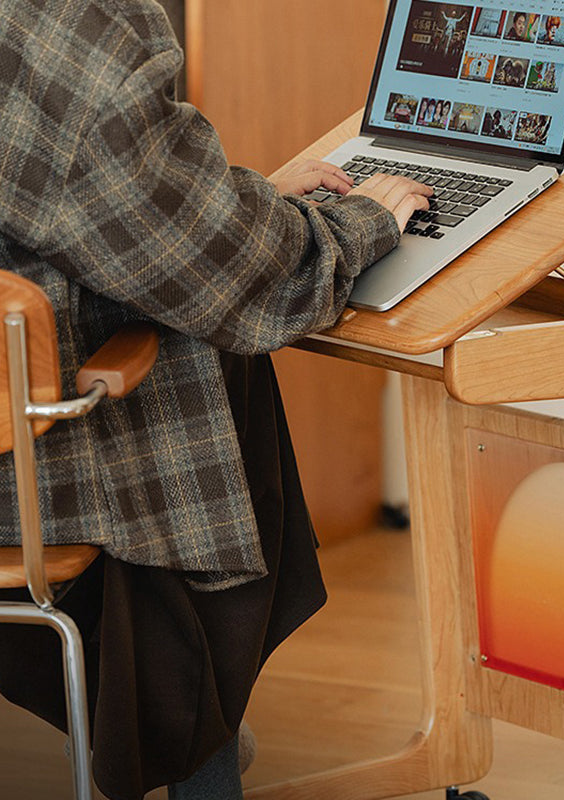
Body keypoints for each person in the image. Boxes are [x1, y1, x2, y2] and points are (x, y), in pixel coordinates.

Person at [0, 1, 431, 799]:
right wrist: (353, 227)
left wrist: (248, 200)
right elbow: (215, 273)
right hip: (25, 480)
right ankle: (190, 732)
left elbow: (77, 206)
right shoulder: (68, 21)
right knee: (207, 347)